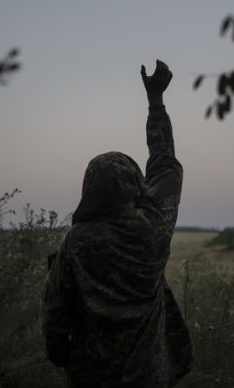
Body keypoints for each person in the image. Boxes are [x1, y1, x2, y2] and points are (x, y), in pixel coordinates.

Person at [42, 60, 193, 388]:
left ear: (89, 190)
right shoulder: (154, 227)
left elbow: (55, 310)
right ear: (137, 187)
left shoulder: (77, 242)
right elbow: (164, 162)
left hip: (90, 376)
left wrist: (61, 355)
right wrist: (156, 102)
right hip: (148, 375)